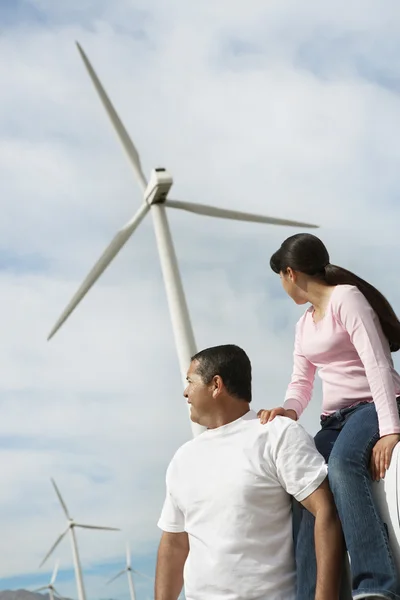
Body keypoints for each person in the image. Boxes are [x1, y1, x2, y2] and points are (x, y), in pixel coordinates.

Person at [258, 233, 400, 600]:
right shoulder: (303, 325)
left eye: (280, 278)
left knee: (342, 466)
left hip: (374, 406)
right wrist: (288, 410)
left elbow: (378, 363)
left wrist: (390, 430)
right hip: (334, 420)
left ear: (290, 273)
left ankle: (375, 585)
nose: (282, 286)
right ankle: (310, 593)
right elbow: (301, 381)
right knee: (305, 485)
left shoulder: (347, 300)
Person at [155, 344, 344, 600]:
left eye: (190, 381)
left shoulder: (277, 434)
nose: (185, 392)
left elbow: (325, 511)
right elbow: (175, 544)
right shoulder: (182, 458)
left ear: (216, 385)